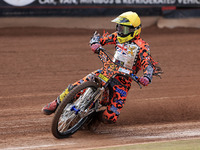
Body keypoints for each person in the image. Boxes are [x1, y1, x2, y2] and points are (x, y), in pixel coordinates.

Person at [42, 11, 162, 124]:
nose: (120, 31)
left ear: (134, 30)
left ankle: (90, 119)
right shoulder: (116, 36)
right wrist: (95, 43)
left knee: (110, 118)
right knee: (78, 85)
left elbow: (148, 64)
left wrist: (146, 77)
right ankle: (56, 102)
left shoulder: (142, 47)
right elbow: (100, 38)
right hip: (107, 71)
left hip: (123, 82)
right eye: (119, 27)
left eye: (123, 28)